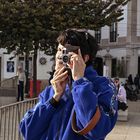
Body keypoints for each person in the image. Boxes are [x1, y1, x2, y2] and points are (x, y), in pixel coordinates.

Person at [20, 29, 118, 140]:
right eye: (59, 50)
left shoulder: (103, 86)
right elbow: (27, 132)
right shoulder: (52, 90)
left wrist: (80, 82)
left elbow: (96, 131)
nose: (59, 56)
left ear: (84, 58)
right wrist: (54, 99)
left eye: (66, 52)